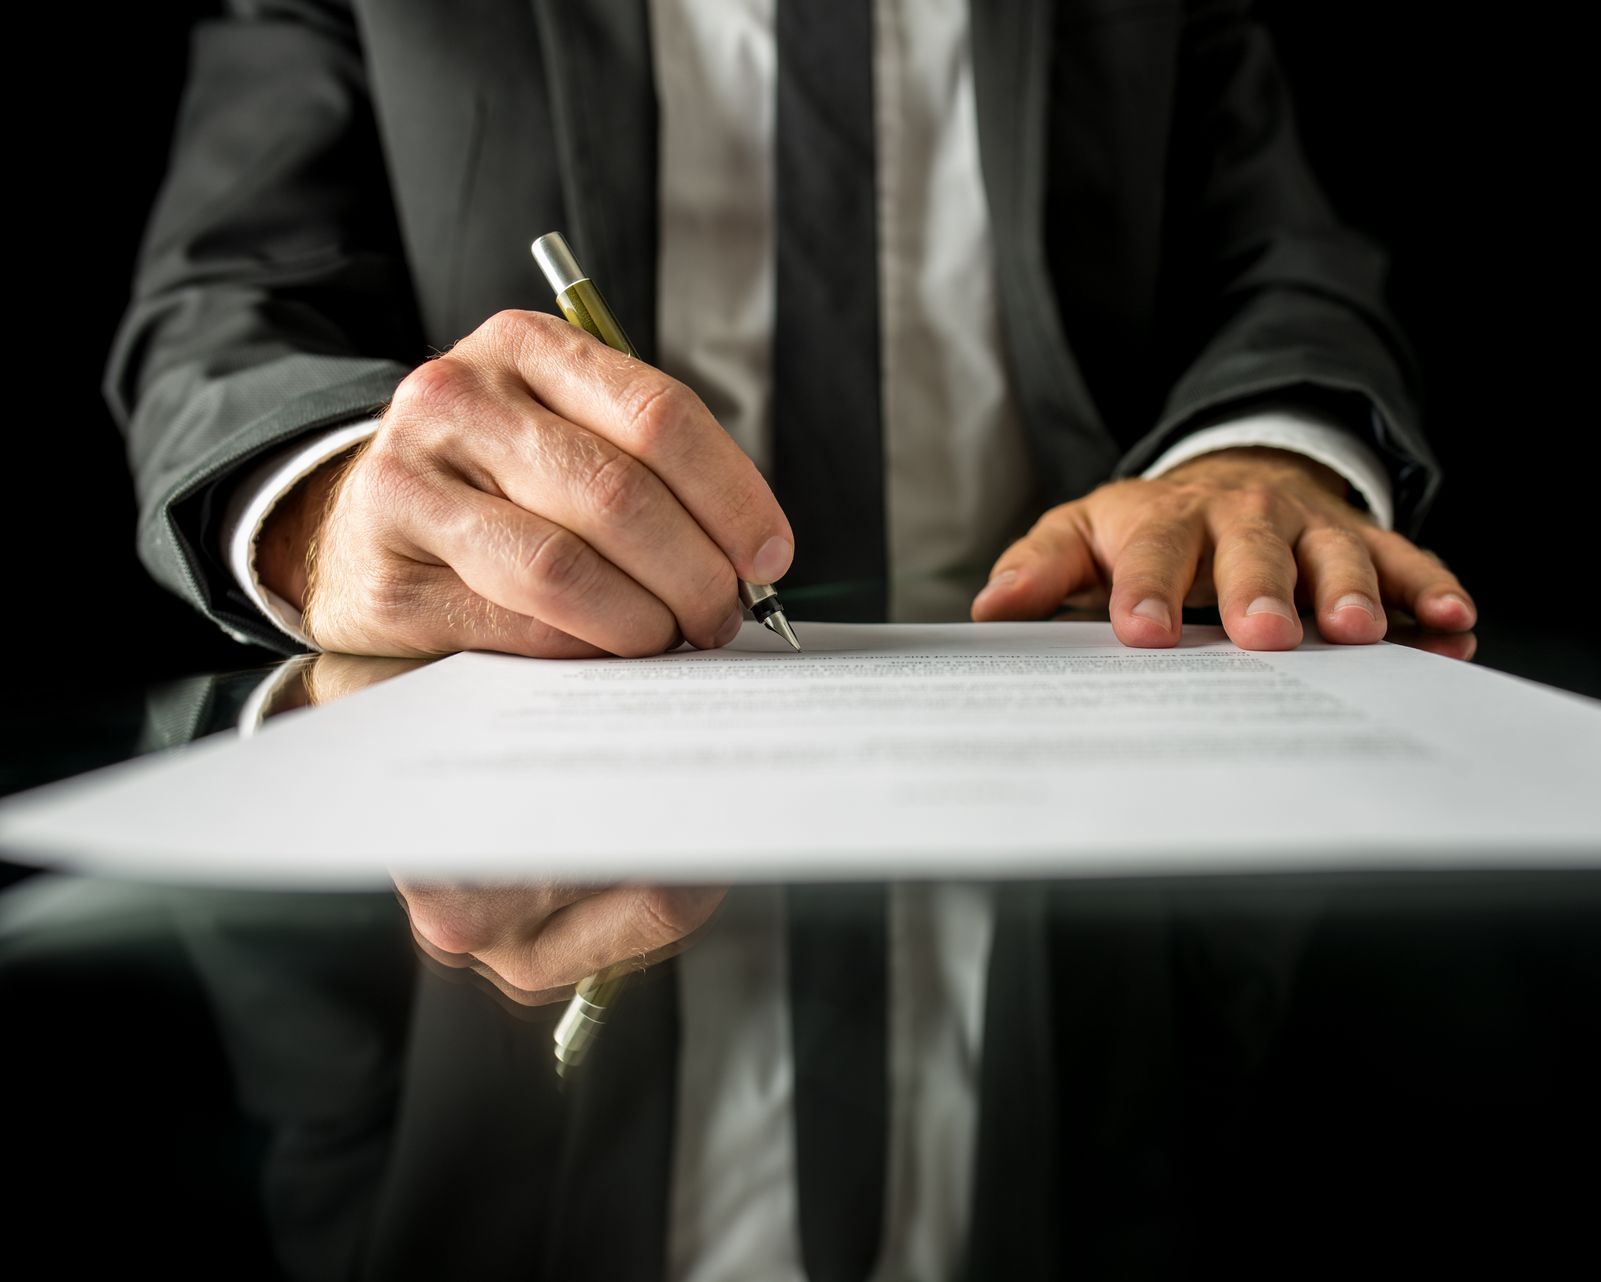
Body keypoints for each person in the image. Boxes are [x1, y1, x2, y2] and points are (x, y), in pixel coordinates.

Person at [106, 2, 1478, 1277]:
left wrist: (1259, 455)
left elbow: (1288, 260)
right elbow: (217, 306)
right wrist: (337, 504)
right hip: (507, 893)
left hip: (1087, 785)